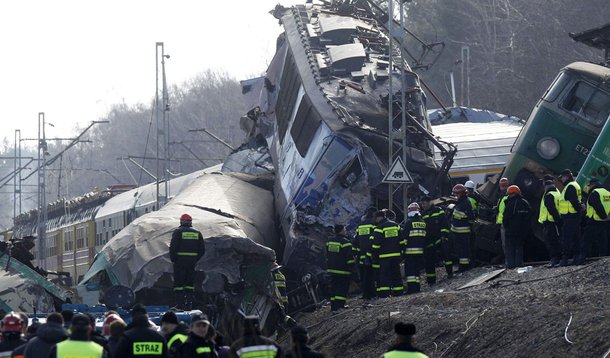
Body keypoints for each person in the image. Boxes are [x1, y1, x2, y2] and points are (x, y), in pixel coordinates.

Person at [170, 213, 205, 310]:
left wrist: (174, 259)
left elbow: (173, 247)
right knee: (189, 283)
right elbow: (202, 250)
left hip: (180, 262)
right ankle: (189, 304)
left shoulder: (178, 232)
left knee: (179, 284)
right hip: (192, 262)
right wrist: (195, 258)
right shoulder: (197, 233)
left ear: (181, 221)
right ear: (190, 222)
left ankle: (180, 304)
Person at [372, 210, 404, 297]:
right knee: (396, 275)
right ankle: (398, 292)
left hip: (384, 257)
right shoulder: (395, 225)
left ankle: (385, 294)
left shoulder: (379, 228)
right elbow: (401, 241)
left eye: (376, 218)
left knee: (384, 276)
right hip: (396, 256)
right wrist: (401, 252)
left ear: (379, 217)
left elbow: (376, 245)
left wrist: (374, 257)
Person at [420, 196, 452, 282]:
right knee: (429, 261)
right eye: (422, 204)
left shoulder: (439, 210)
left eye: (424, 203)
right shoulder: (423, 215)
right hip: (429, 241)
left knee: (446, 256)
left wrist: (444, 236)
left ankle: (450, 273)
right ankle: (431, 280)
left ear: (430, 202)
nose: (423, 206)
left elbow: (444, 224)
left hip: (440, 238)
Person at [579, 178, 610, 264]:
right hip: (605, 221)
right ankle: (603, 258)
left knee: (587, 239)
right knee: (603, 239)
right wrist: (606, 217)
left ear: (593, 185)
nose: (588, 187)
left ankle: (582, 258)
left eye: (589, 185)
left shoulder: (594, 193)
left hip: (594, 220)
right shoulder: (607, 192)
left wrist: (603, 216)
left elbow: (597, 206)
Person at [325, 224, 355, 312]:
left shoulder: (329, 241)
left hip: (331, 270)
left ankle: (333, 307)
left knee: (334, 288)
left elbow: (327, 254)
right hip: (343, 270)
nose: (346, 231)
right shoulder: (346, 242)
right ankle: (339, 307)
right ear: (341, 231)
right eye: (344, 230)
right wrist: (352, 268)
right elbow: (349, 258)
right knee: (341, 289)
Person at [502, 185, 531, 268]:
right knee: (519, 247)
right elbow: (528, 218)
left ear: (512, 194)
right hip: (521, 231)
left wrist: (507, 227)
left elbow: (505, 218)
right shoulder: (525, 202)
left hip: (510, 231)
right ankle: (519, 264)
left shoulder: (509, 203)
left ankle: (511, 265)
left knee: (510, 248)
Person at [558, 169, 582, 266]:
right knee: (576, 238)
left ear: (566, 176)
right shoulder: (575, 185)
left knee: (567, 239)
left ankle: (565, 259)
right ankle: (576, 257)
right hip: (574, 216)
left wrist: (578, 209)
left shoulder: (570, 187)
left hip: (570, 216)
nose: (561, 179)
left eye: (562, 177)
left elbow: (573, 201)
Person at [353, 206, 378, 300]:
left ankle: (365, 295)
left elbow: (355, 240)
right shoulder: (373, 224)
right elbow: (375, 239)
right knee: (371, 275)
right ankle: (372, 294)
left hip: (361, 255)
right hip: (370, 255)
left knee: (364, 276)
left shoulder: (360, 225)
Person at [402, 203, 427, 294]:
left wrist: (402, 250)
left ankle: (411, 289)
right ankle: (417, 288)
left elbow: (405, 238)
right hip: (420, 251)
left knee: (410, 271)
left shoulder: (409, 222)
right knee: (416, 271)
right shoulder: (422, 222)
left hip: (410, 251)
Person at [450, 184, 475, 272]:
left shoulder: (465, 203)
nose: (455, 196)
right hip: (457, 231)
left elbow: (471, 217)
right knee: (460, 250)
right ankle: (463, 266)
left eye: (456, 194)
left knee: (464, 250)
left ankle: (465, 267)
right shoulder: (461, 202)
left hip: (463, 232)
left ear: (460, 194)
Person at [538, 178, 562, 267]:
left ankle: (554, 259)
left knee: (551, 242)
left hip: (550, 222)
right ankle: (557, 259)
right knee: (556, 241)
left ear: (546, 187)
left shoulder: (548, 195)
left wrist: (556, 220)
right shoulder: (557, 193)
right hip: (554, 222)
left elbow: (551, 209)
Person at [496, 177, 510, 261]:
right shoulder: (505, 196)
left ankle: (508, 260)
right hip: (503, 223)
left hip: (504, 224)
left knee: (506, 243)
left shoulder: (505, 197)